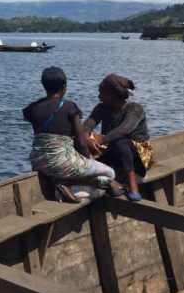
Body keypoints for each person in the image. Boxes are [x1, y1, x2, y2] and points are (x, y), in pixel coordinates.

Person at [23, 67, 119, 202]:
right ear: (64, 87)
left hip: (38, 162)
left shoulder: (31, 109)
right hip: (62, 163)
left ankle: (62, 186)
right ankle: (66, 184)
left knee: (71, 169)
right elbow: (81, 143)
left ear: (43, 86)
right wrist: (88, 160)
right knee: (110, 174)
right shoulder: (70, 107)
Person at [84, 74, 151, 202]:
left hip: (139, 157)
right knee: (82, 138)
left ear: (113, 95)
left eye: (102, 93)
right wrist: (87, 139)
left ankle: (133, 185)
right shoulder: (101, 108)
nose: (99, 97)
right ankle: (93, 172)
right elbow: (86, 127)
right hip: (114, 153)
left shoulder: (135, 109)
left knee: (121, 141)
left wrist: (101, 140)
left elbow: (125, 129)